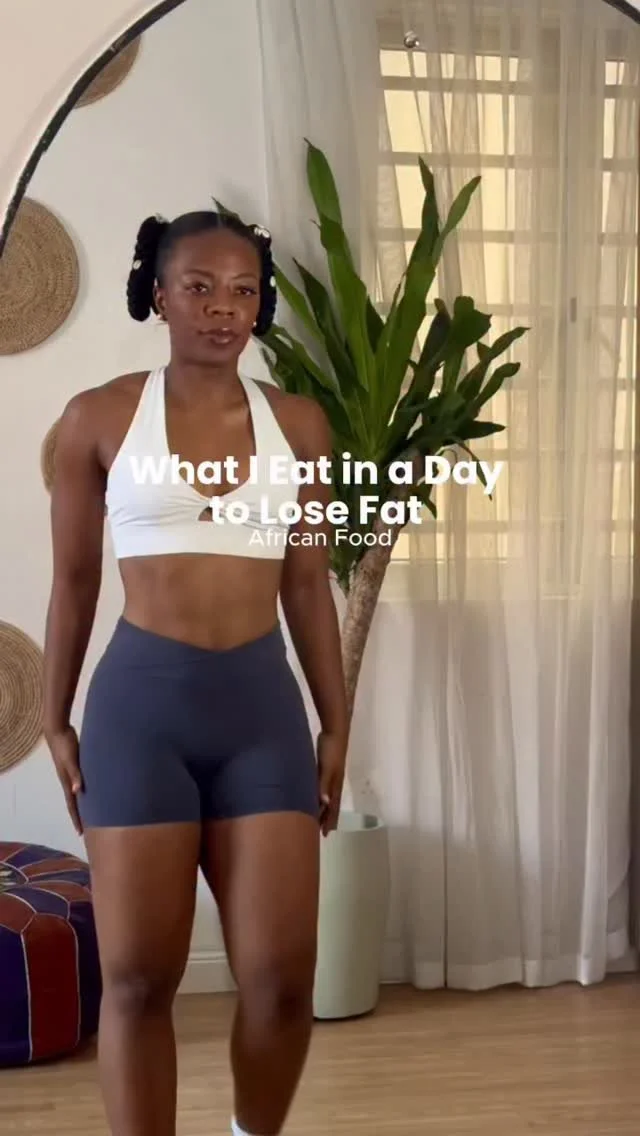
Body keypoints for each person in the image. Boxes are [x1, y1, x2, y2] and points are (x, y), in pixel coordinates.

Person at [42, 209, 349, 1136]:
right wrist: (54, 719)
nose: (223, 308)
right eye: (200, 287)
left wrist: (337, 724)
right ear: (159, 295)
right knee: (138, 979)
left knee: (283, 978)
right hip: (142, 717)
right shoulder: (97, 417)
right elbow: (74, 580)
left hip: (262, 715)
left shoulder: (300, 425)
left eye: (244, 291)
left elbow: (308, 586)